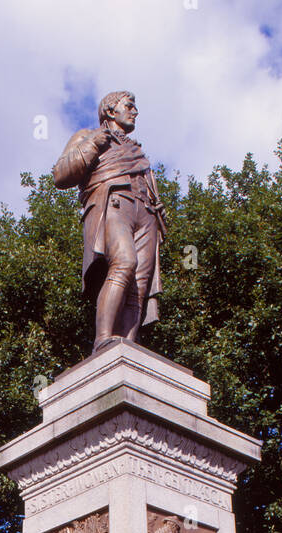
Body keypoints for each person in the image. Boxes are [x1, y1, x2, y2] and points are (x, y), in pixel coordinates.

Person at [52, 91, 166, 353]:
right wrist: (93, 144)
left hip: (146, 212)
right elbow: (61, 176)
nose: (135, 111)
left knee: (140, 283)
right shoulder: (87, 135)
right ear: (110, 111)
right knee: (124, 263)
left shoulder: (137, 150)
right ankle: (103, 339)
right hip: (115, 203)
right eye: (129, 106)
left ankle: (128, 346)